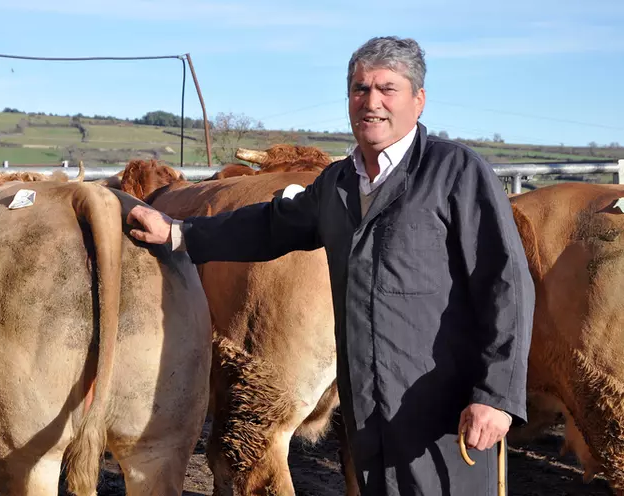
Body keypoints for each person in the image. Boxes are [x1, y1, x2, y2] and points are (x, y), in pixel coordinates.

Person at [127, 36, 534, 495]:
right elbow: (270, 226)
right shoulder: (339, 183)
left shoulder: (455, 172)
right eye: (360, 89)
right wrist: (181, 234)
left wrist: (496, 396)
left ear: (418, 100)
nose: (372, 103)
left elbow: (505, 286)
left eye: (388, 89)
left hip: (440, 409)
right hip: (367, 408)